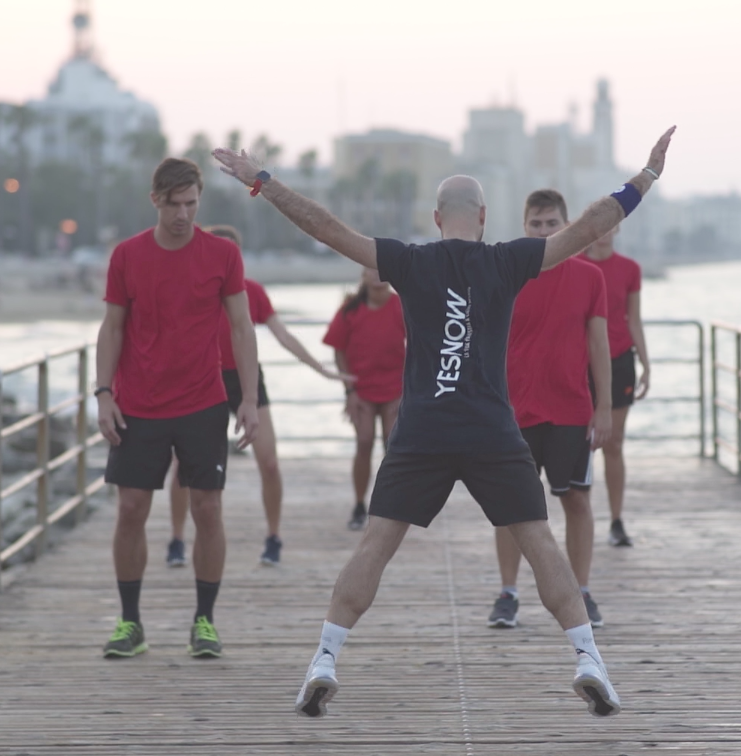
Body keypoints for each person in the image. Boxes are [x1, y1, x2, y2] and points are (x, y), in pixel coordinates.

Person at [213, 123, 673, 719]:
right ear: (483, 218)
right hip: (491, 429)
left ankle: (324, 658)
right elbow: (589, 226)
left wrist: (262, 182)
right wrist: (647, 177)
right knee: (538, 540)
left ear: (436, 219)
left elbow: (325, 227)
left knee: (376, 545)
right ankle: (589, 660)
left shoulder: (407, 261)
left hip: (423, 430)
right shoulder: (511, 260)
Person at [95, 157, 260, 661]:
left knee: (207, 509)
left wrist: (249, 399)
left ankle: (204, 621)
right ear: (156, 201)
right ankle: (130, 623)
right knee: (130, 510)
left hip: (202, 402)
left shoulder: (223, 255)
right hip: (138, 404)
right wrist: (103, 393)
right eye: (175, 205)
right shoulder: (127, 256)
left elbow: (241, 327)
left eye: (192, 204)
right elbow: (113, 327)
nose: (185, 215)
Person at [164, 224, 350, 569]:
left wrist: (321, 370)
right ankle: (176, 539)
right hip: (200, 380)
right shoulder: (188, 290)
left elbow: (282, 335)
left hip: (246, 379)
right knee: (183, 468)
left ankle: (273, 537)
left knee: (270, 462)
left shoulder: (251, 292)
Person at [490, 189, 612, 631]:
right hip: (512, 413)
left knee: (576, 499)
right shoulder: (506, 274)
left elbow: (599, 345)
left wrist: (605, 409)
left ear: (568, 227)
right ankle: (508, 593)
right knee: (510, 508)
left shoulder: (589, 277)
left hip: (571, 409)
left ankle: (581, 591)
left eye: (552, 224)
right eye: (536, 225)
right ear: (524, 228)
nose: (544, 232)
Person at [322, 268, 406, 530]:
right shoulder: (350, 309)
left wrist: (408, 393)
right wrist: (349, 391)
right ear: (363, 275)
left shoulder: (401, 305)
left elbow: (419, 344)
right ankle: (359, 504)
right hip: (361, 390)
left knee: (393, 446)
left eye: (382, 268)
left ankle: (391, 507)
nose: (377, 274)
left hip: (395, 389)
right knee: (364, 441)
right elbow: (338, 350)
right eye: (371, 269)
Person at [584, 225, 650, 548]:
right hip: (582, 363)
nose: (604, 233)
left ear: (619, 228)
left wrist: (646, 364)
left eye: (611, 227)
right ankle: (581, 522)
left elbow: (634, 319)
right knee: (580, 446)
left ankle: (616, 520)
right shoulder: (578, 265)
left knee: (614, 444)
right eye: (600, 227)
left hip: (621, 360)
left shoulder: (630, 269)